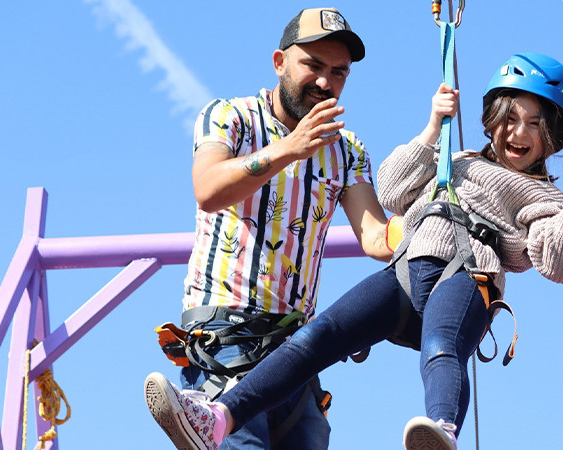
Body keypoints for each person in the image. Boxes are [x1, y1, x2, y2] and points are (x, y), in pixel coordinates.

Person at [147, 52, 563, 450]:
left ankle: (442, 430)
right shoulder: (454, 161)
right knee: (317, 337)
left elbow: (558, 263)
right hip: (407, 268)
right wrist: (433, 129)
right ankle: (221, 417)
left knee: (441, 348)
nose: (519, 133)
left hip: (468, 272)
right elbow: (394, 191)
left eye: (535, 125)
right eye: (510, 119)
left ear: (554, 136)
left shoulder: (543, 197)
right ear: (491, 121)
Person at [143, 7, 392, 450]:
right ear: (279, 62)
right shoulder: (230, 116)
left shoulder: (348, 150)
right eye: (312, 65)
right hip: (223, 341)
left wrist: (433, 219)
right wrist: (290, 148)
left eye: (338, 72)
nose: (324, 82)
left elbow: (375, 236)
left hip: (297, 357)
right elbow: (208, 188)